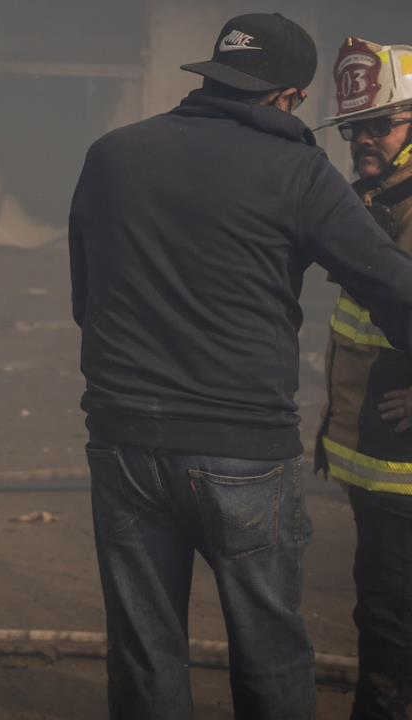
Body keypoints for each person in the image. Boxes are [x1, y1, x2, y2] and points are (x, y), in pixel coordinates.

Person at [69, 13, 412, 719]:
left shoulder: (112, 155)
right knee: (269, 654)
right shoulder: (298, 172)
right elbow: (393, 285)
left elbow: (86, 295)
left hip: (125, 442)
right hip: (244, 453)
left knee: (145, 653)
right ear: (289, 96)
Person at [315, 36, 412, 720]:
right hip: (377, 462)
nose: (365, 140)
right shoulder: (376, 202)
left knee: (389, 616)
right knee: (383, 609)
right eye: (355, 128)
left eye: (381, 124)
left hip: (403, 471)